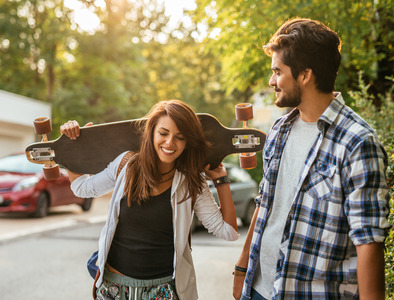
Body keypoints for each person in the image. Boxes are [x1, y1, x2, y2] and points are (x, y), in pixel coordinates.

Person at [233, 18, 391, 300]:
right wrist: (242, 268)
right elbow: (264, 203)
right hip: (258, 289)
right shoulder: (280, 130)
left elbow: (368, 242)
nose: (272, 81)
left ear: (305, 75)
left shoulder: (357, 143)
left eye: (278, 72)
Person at [60, 99, 240, 300]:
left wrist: (221, 181)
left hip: (162, 291)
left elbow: (229, 232)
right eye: (163, 133)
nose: (169, 143)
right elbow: (82, 188)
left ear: (188, 142)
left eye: (180, 138)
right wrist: (73, 148)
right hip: (114, 288)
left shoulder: (191, 180)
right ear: (151, 132)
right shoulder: (126, 165)